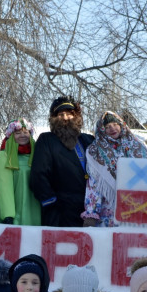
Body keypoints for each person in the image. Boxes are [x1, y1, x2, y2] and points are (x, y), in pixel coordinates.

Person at [29, 96, 94, 227]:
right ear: (54, 118)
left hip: (89, 209)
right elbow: (38, 176)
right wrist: (51, 202)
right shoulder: (47, 140)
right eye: (61, 114)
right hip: (60, 211)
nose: (65, 118)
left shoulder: (88, 140)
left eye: (69, 114)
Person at [81, 110, 147, 227]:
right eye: (107, 126)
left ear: (122, 125)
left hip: (133, 209)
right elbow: (94, 185)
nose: (112, 128)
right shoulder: (96, 151)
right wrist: (91, 213)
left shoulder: (137, 147)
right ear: (101, 130)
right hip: (108, 212)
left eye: (115, 124)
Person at [0, 118, 41, 225]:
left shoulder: (36, 156)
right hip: (14, 214)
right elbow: (3, 188)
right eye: (18, 133)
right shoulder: (4, 156)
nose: (22, 135)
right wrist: (8, 215)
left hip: (34, 210)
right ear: (10, 136)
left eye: (26, 132)